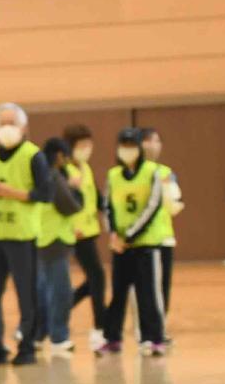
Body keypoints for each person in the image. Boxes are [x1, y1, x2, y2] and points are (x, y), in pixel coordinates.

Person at [0, 102, 48, 367]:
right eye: (2, 123)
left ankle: (27, 345)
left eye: (11, 123)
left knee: (25, 294)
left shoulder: (33, 155)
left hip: (22, 235)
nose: (6, 128)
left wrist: (12, 192)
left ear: (23, 127)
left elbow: (45, 193)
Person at [102, 127, 178, 356]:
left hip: (146, 243)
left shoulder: (152, 172)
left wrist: (131, 235)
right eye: (123, 145)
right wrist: (114, 234)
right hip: (120, 245)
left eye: (131, 145)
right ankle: (112, 338)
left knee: (149, 292)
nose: (128, 150)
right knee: (118, 293)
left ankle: (153, 338)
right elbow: (108, 207)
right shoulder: (113, 175)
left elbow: (153, 205)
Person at [33, 137, 82, 356]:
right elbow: (70, 206)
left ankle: (36, 334)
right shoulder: (54, 176)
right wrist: (76, 190)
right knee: (60, 292)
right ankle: (59, 337)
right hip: (55, 238)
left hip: (40, 237)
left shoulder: (38, 174)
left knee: (43, 291)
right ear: (60, 156)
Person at [60, 124, 107, 351]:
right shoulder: (64, 171)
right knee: (97, 276)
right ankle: (99, 328)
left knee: (96, 278)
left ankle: (60, 308)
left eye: (89, 144)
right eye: (81, 145)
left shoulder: (85, 168)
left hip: (89, 230)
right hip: (73, 232)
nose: (86, 149)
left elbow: (96, 198)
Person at [141, 127, 182, 316]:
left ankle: (160, 324)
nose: (153, 145)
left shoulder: (166, 172)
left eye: (157, 141)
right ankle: (147, 324)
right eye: (148, 141)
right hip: (142, 239)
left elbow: (174, 201)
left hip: (164, 235)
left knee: (164, 284)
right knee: (145, 285)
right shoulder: (133, 174)